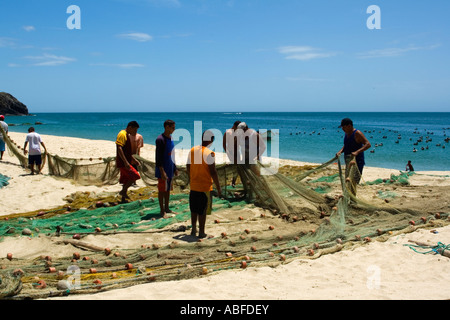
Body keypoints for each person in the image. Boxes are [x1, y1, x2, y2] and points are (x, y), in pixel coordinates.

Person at [186, 130, 222, 239]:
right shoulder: (209, 153)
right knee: (202, 210)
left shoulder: (192, 150)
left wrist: (192, 176)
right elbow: (213, 171)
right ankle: (201, 232)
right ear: (210, 140)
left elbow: (187, 166)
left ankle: (193, 229)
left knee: (194, 209)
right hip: (204, 186)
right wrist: (219, 187)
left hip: (194, 185)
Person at [336, 118, 371, 194]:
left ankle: (353, 201)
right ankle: (349, 199)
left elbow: (368, 144)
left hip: (357, 162)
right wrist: (340, 152)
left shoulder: (357, 133)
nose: (343, 129)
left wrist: (357, 152)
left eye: (344, 127)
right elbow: (346, 145)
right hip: (348, 162)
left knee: (353, 182)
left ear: (349, 126)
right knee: (348, 181)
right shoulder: (347, 133)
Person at [155, 120, 178, 218]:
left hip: (170, 168)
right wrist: (162, 171)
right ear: (167, 127)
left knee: (168, 189)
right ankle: (162, 210)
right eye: (173, 127)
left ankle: (167, 208)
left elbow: (172, 154)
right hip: (162, 170)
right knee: (161, 190)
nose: (174, 129)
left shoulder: (171, 138)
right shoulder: (160, 139)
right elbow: (158, 157)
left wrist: (175, 167)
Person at [116, 121, 141, 203]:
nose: (135, 132)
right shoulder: (122, 134)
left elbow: (126, 151)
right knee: (135, 176)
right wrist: (126, 162)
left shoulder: (126, 135)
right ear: (130, 127)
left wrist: (133, 159)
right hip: (123, 163)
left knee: (125, 179)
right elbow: (119, 148)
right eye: (135, 130)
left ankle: (123, 198)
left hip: (126, 161)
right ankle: (123, 191)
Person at [222, 120, 241, 187]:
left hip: (237, 151)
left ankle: (233, 181)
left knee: (238, 167)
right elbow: (224, 144)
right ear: (235, 126)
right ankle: (231, 181)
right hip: (231, 151)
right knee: (233, 166)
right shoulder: (228, 132)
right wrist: (228, 153)